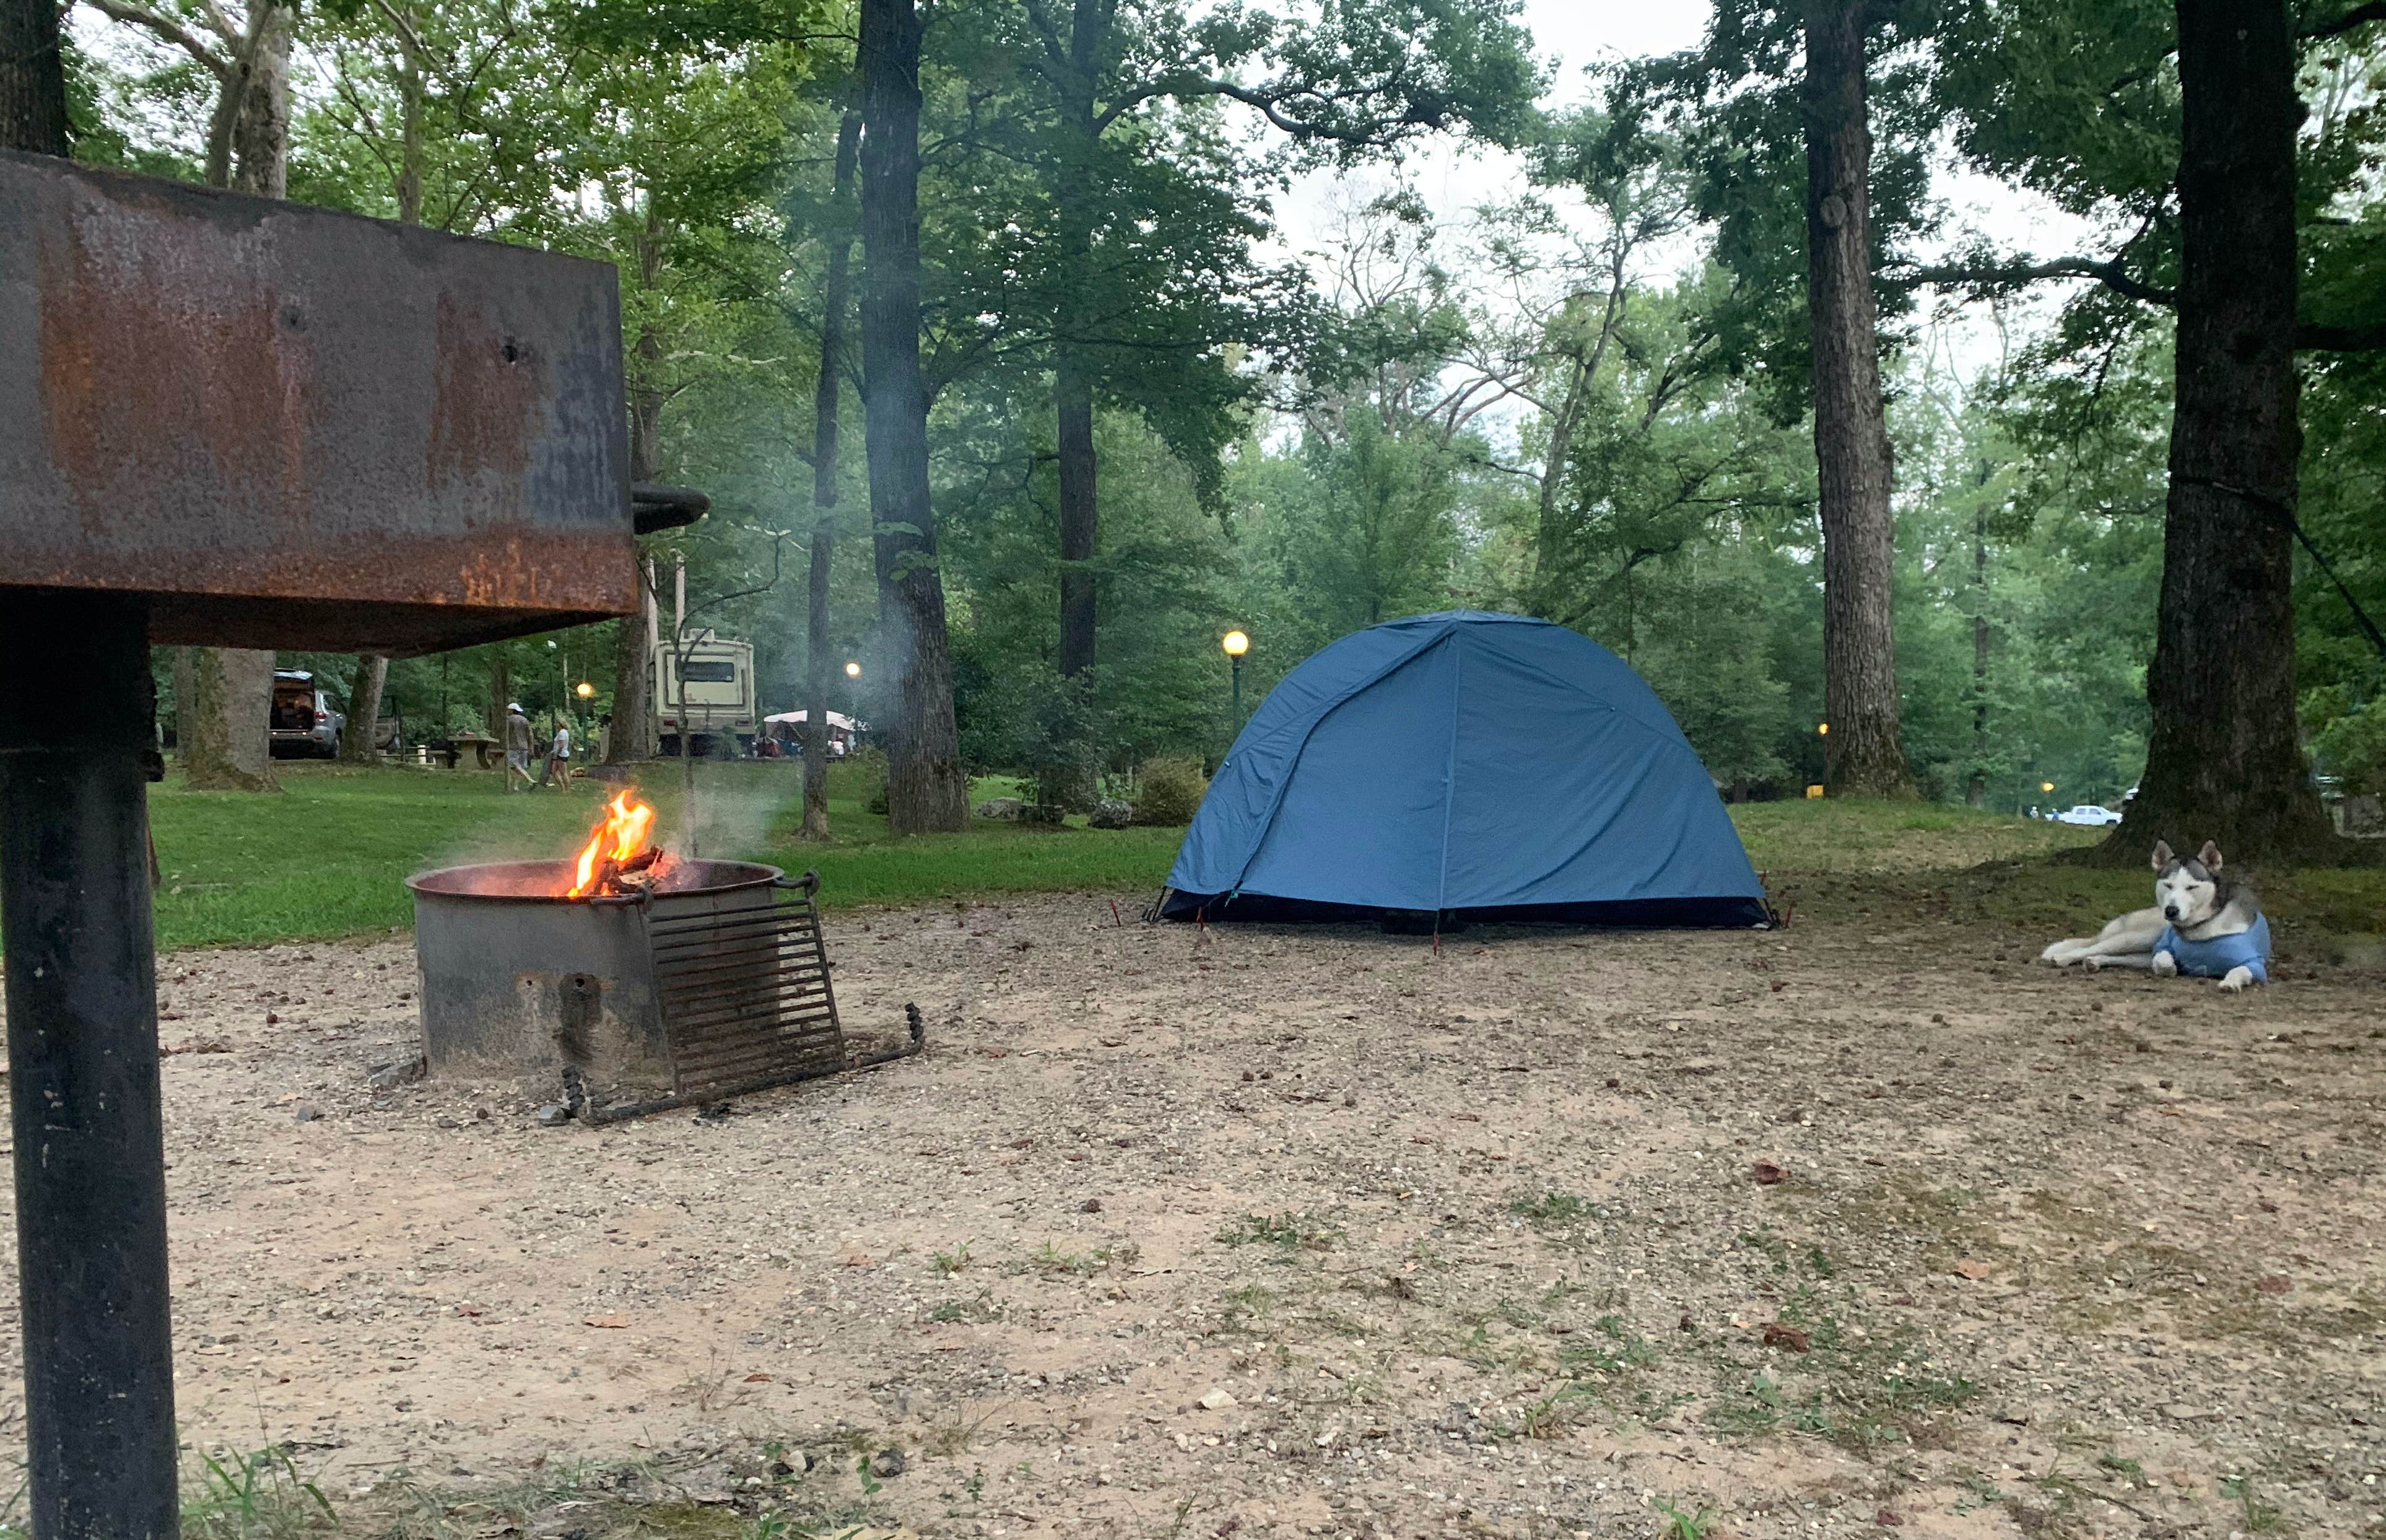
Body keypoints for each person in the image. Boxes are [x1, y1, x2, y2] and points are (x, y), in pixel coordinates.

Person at [504, 702, 535, 791]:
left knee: (514, 765)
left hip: (513, 746)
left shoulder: (508, 720)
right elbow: (530, 734)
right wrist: (531, 746)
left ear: (512, 710)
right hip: (524, 746)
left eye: (508, 710)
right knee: (520, 767)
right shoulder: (525, 720)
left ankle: (530, 780)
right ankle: (515, 787)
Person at [538, 718, 572, 788]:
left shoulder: (562, 733)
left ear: (560, 724)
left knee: (563, 772)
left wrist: (557, 754)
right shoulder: (564, 732)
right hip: (559, 754)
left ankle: (566, 788)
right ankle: (563, 787)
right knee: (554, 772)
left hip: (561, 755)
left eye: (556, 723)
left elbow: (561, 745)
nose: (555, 725)